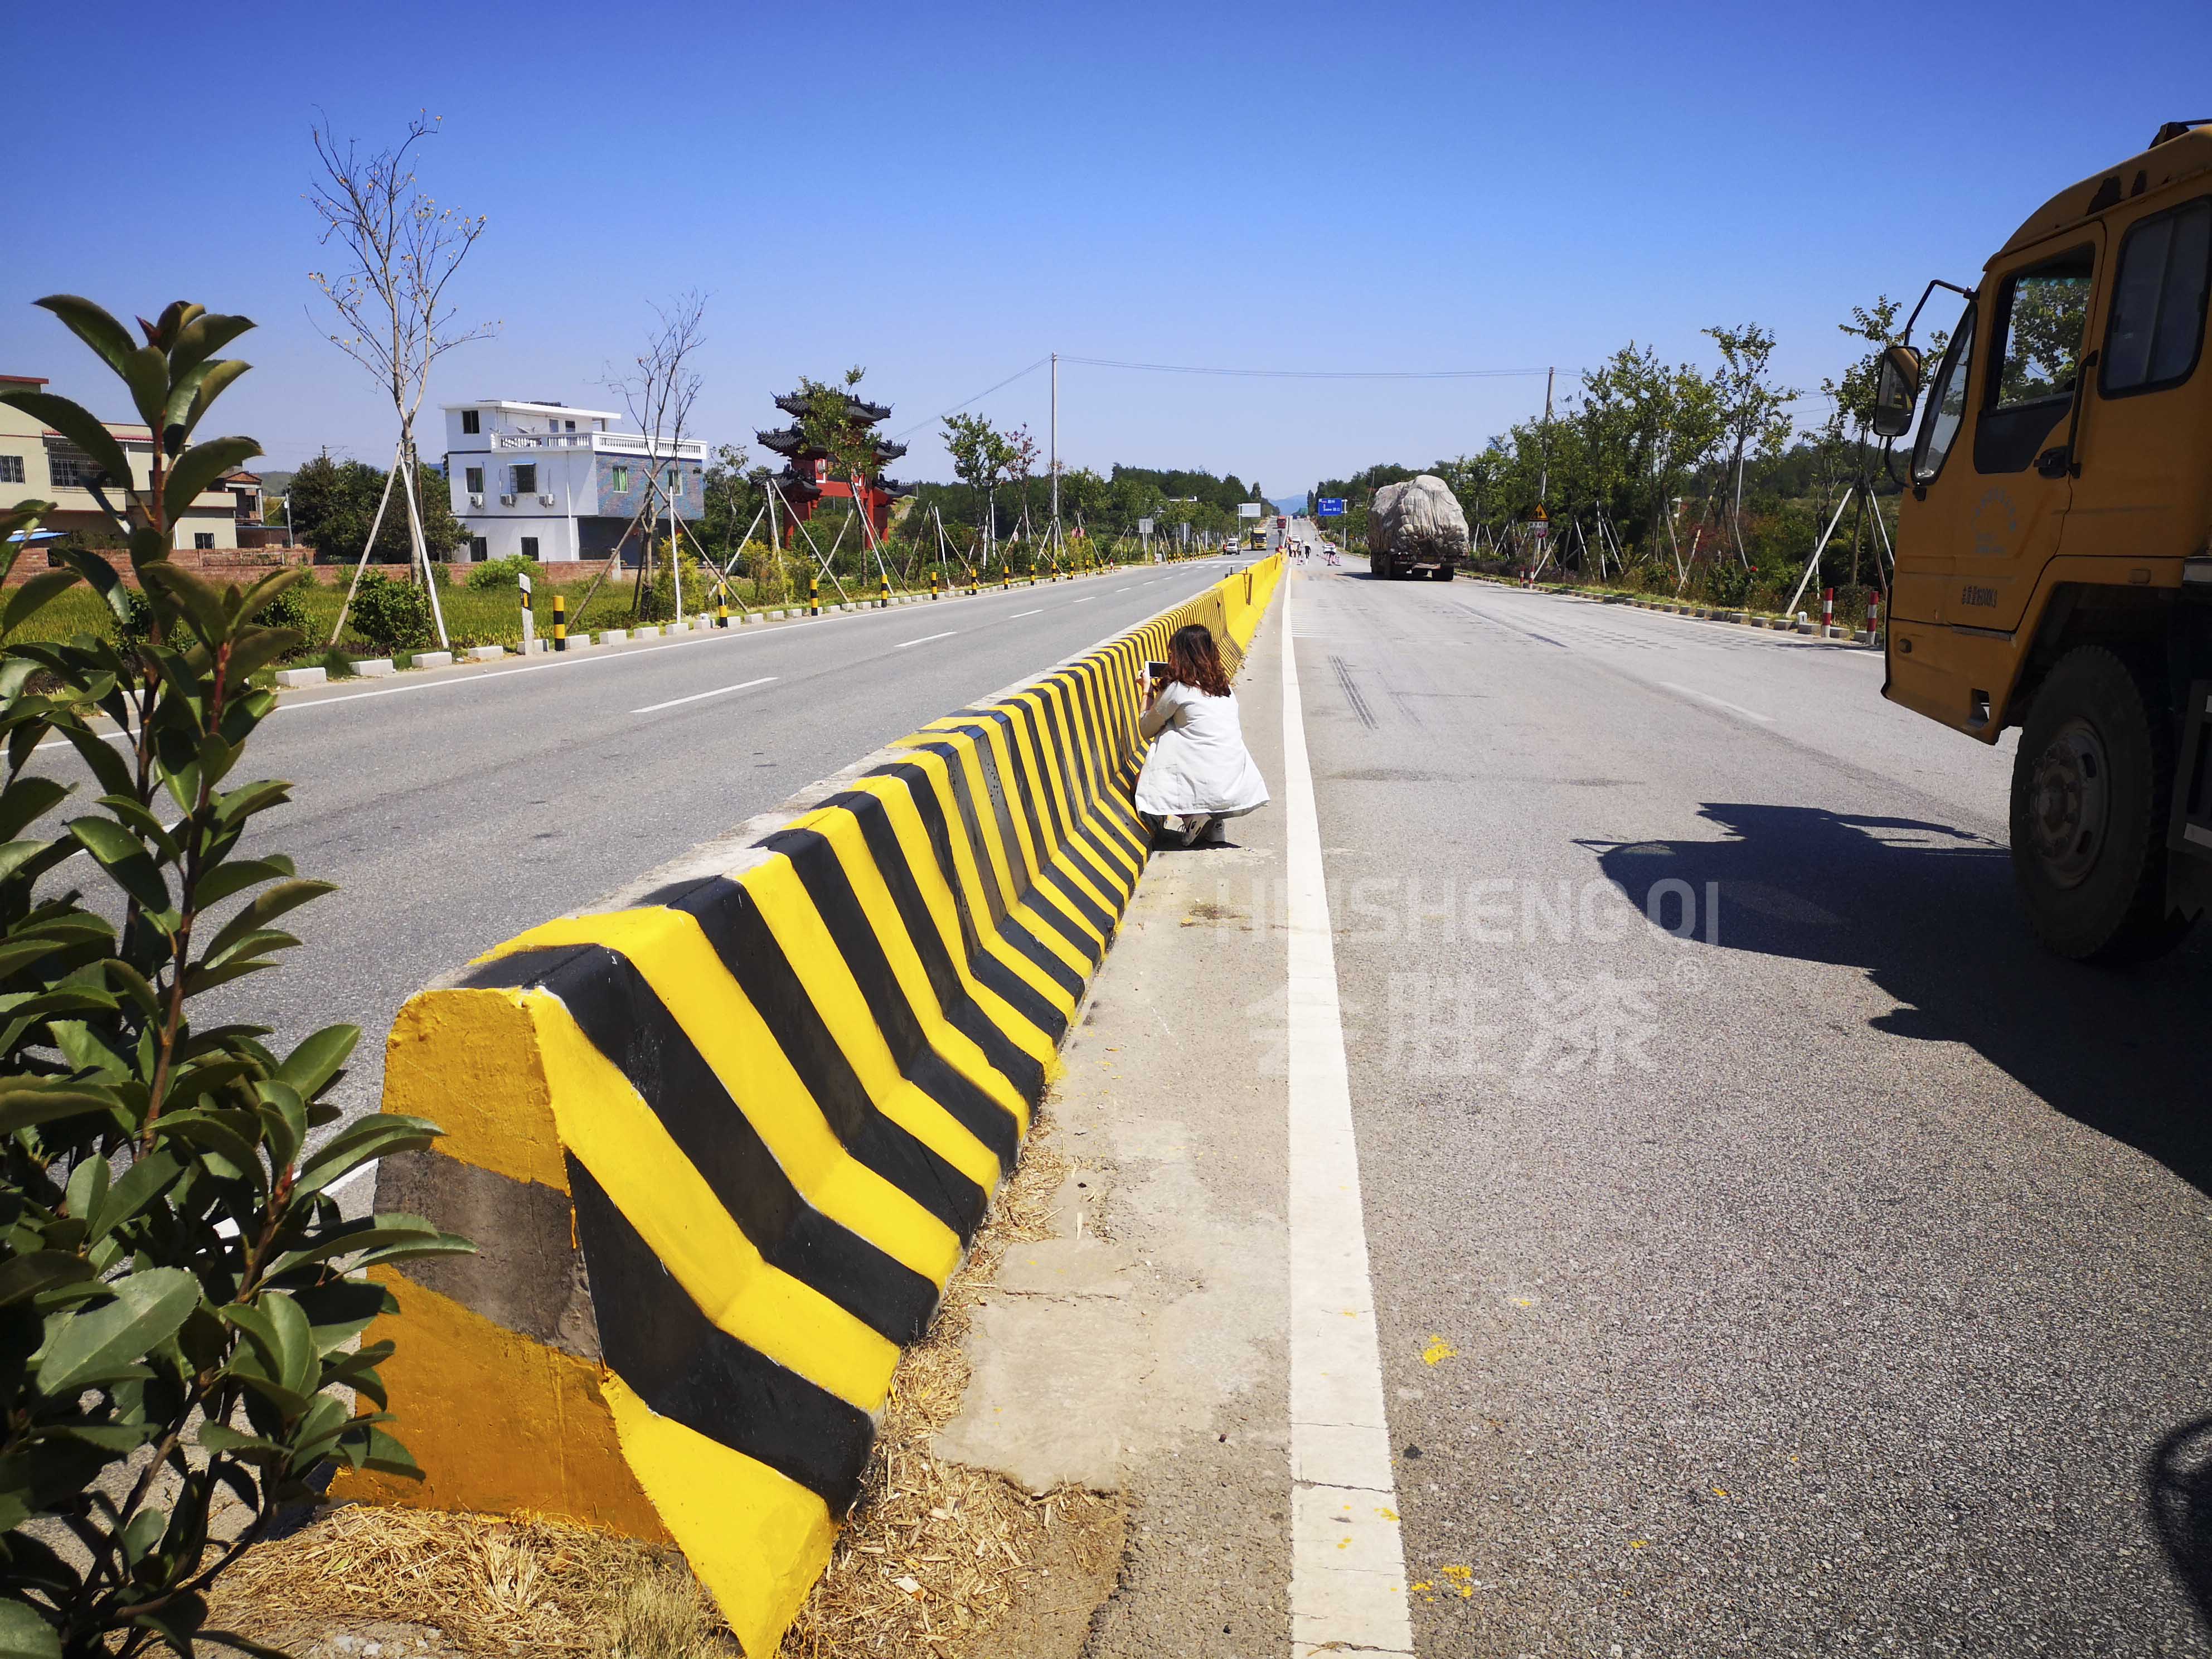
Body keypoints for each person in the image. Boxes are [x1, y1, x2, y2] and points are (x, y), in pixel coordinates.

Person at [1134, 623, 1269, 847]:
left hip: (1205, 782)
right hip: (1233, 782)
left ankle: (1192, 818)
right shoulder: (1224, 689)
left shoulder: (1178, 689)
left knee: (1146, 774)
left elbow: (1146, 728)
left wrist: (1147, 690)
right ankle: (1214, 823)